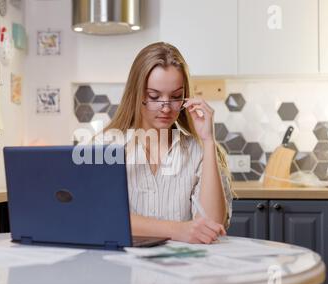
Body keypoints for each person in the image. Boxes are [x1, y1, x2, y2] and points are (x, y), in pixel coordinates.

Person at [96, 42, 233, 244]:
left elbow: (210, 227)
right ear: (137, 94)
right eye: (154, 96)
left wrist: (208, 141)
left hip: (184, 269)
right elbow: (99, 217)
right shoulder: (104, 147)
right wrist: (177, 230)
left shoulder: (198, 151)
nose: (166, 107)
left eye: (176, 97)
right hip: (122, 269)